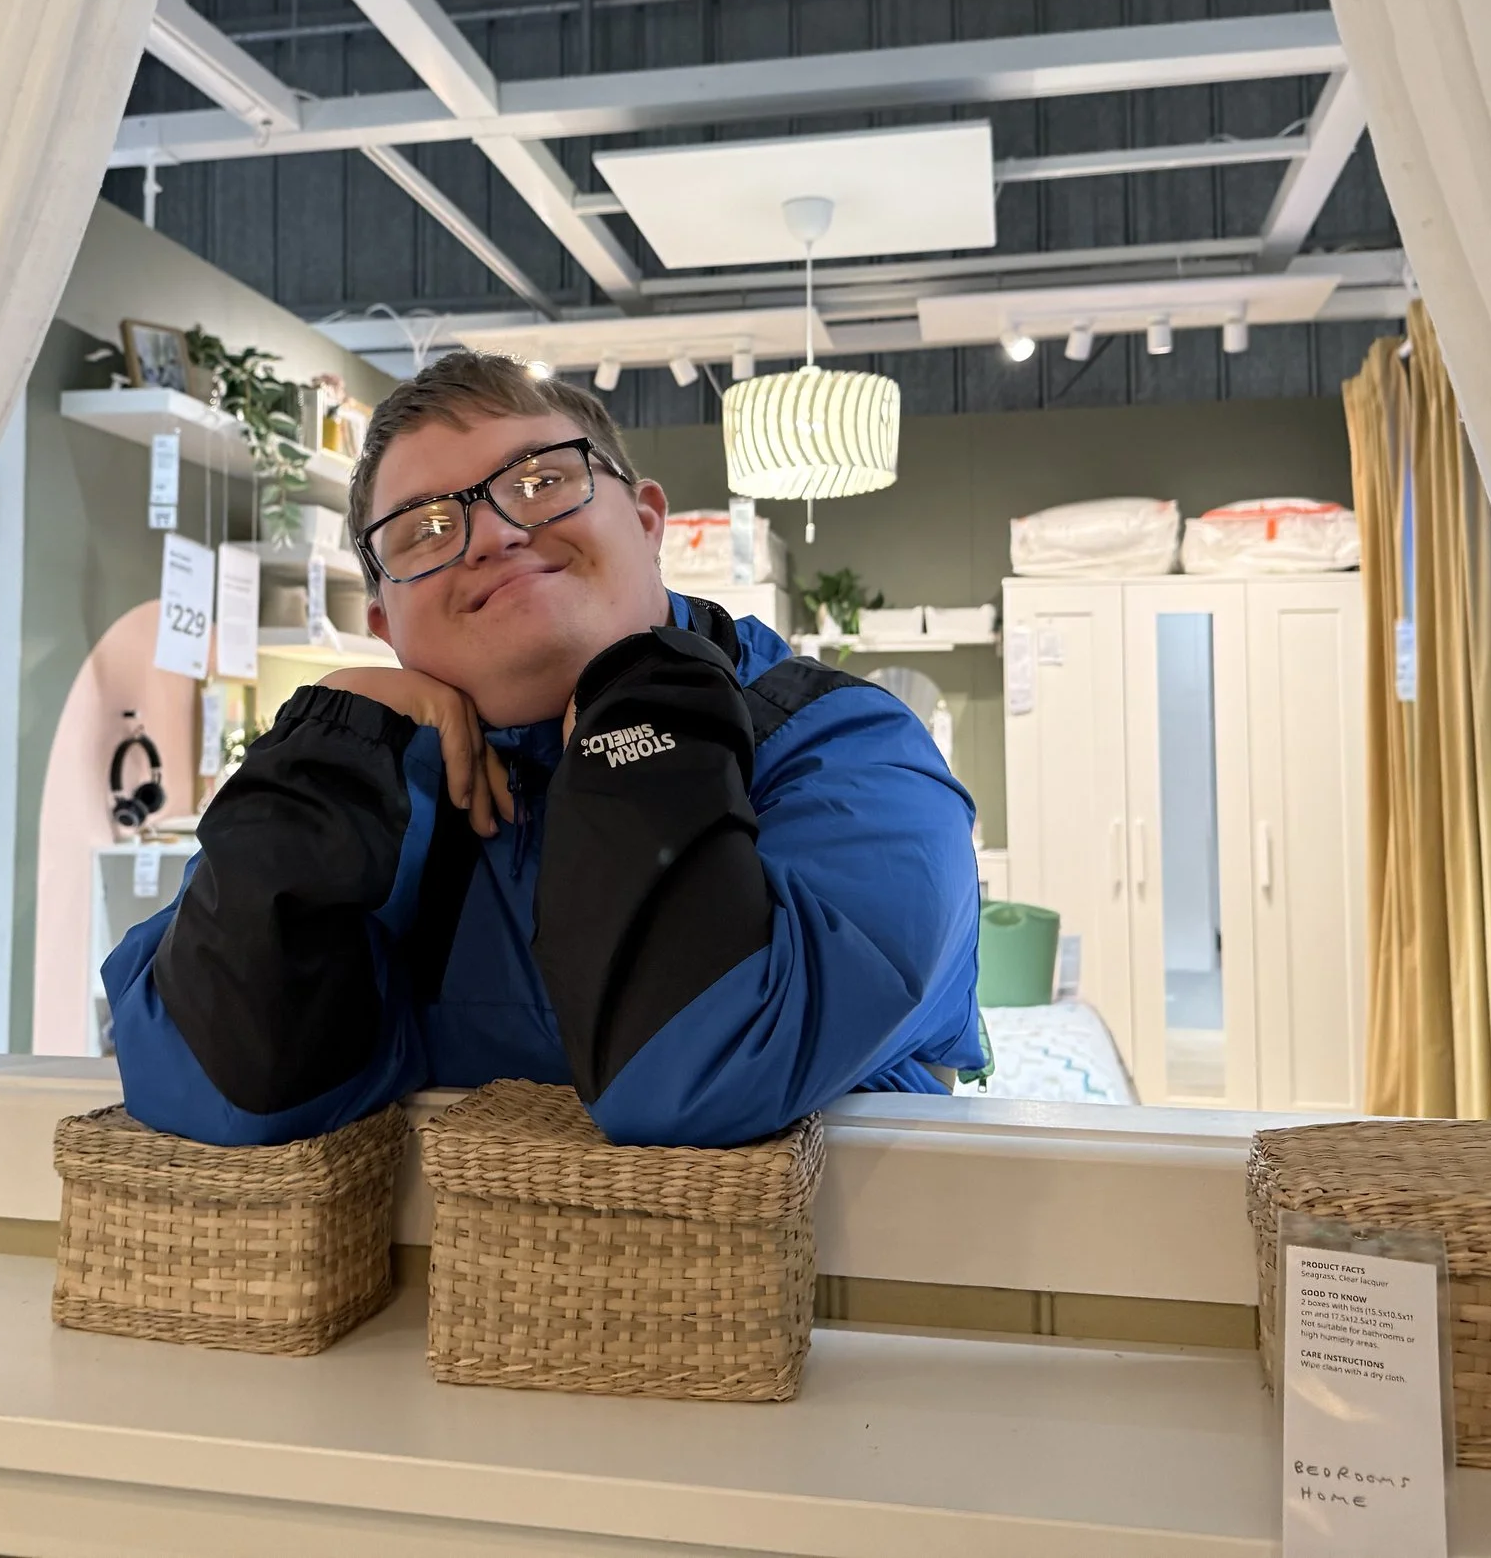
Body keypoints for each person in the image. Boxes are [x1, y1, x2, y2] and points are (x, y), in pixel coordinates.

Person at [104, 352, 983, 1148]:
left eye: (541, 480)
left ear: (646, 523)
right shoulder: (382, 787)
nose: (492, 533)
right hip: (443, 1319)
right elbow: (219, 1090)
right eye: (426, 529)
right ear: (385, 625)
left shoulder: (847, 750)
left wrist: (641, 706)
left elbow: (701, 1076)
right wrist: (327, 750)